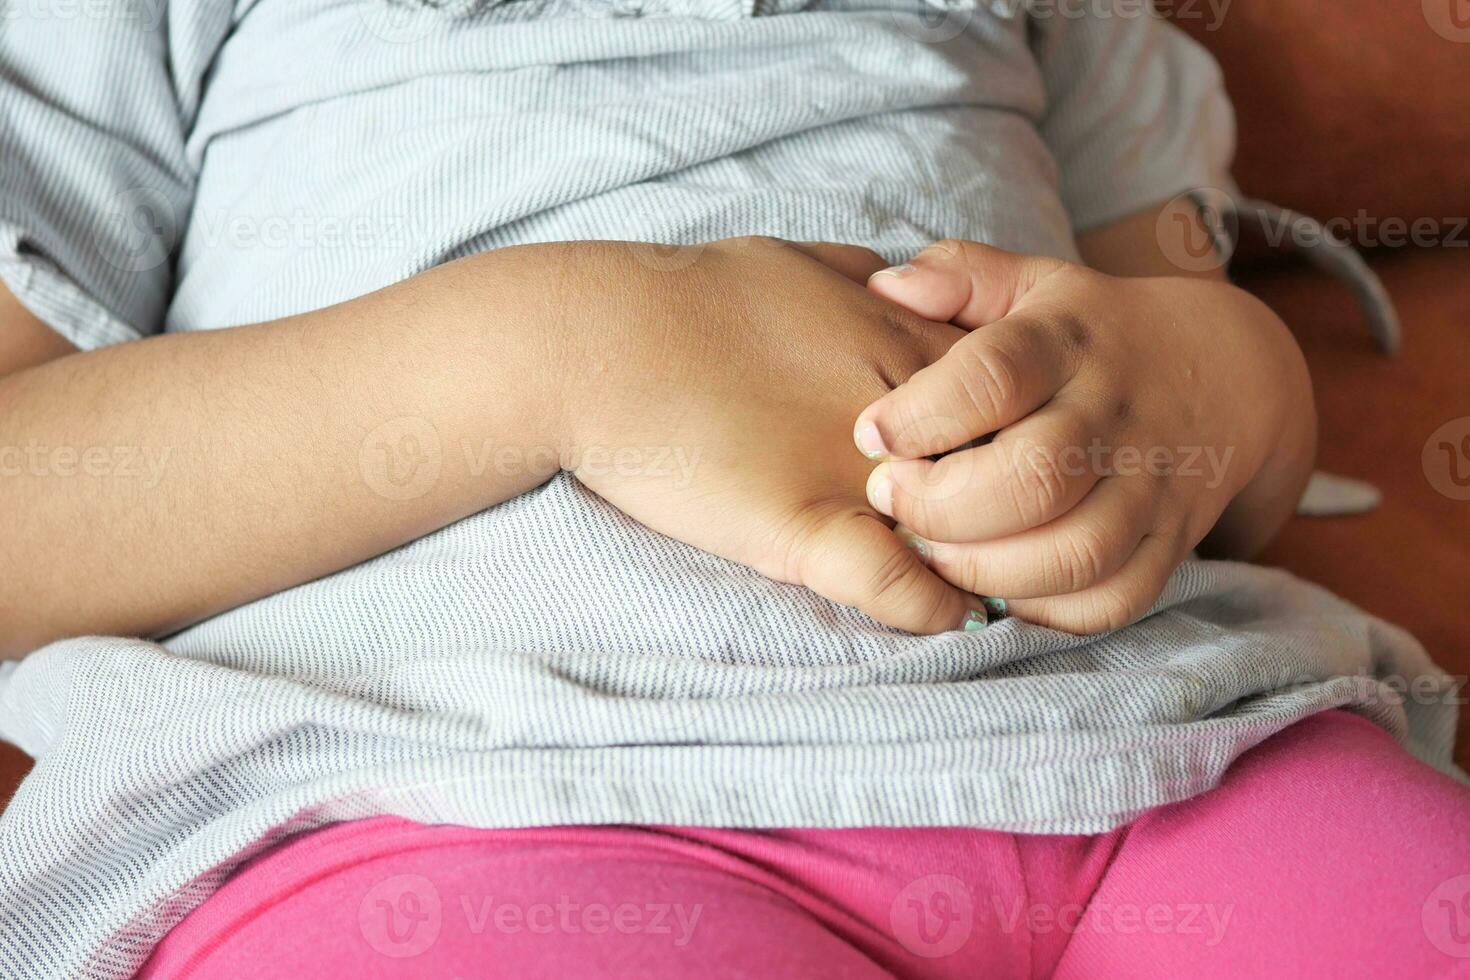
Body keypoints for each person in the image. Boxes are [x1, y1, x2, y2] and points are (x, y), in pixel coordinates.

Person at [0, 1, 1464, 976]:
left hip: (1168, 752)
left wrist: (1221, 377)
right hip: (458, 796)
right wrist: (553, 353)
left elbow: (1199, 437)